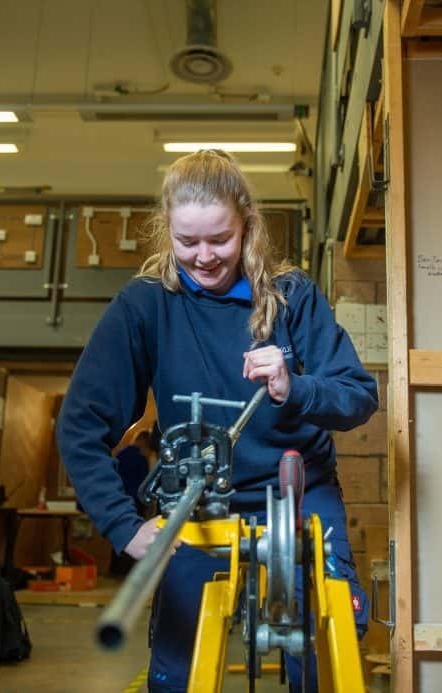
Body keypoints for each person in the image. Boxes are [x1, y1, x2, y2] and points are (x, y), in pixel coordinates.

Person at [56, 149, 377, 692]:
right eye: (188, 242)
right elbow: (80, 424)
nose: (203, 257)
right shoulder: (145, 305)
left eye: (220, 239)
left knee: (326, 643)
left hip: (298, 494)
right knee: (179, 666)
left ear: (247, 224)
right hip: (198, 499)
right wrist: (122, 524)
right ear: (167, 230)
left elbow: (358, 396)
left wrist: (293, 386)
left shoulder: (291, 297)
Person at [109, 430, 155, 576]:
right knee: (136, 537)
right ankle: (128, 572)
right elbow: (144, 483)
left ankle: (116, 571)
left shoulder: (122, 454)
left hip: (120, 500)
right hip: (135, 500)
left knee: (122, 536)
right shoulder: (139, 458)